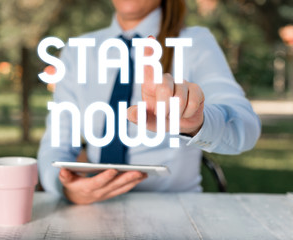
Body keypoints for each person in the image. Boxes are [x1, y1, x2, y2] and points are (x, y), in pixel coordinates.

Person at [37, 0, 261, 204]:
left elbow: (244, 128)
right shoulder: (77, 50)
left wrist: (198, 124)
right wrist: (64, 187)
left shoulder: (195, 43)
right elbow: (56, 143)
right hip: (93, 210)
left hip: (176, 210)